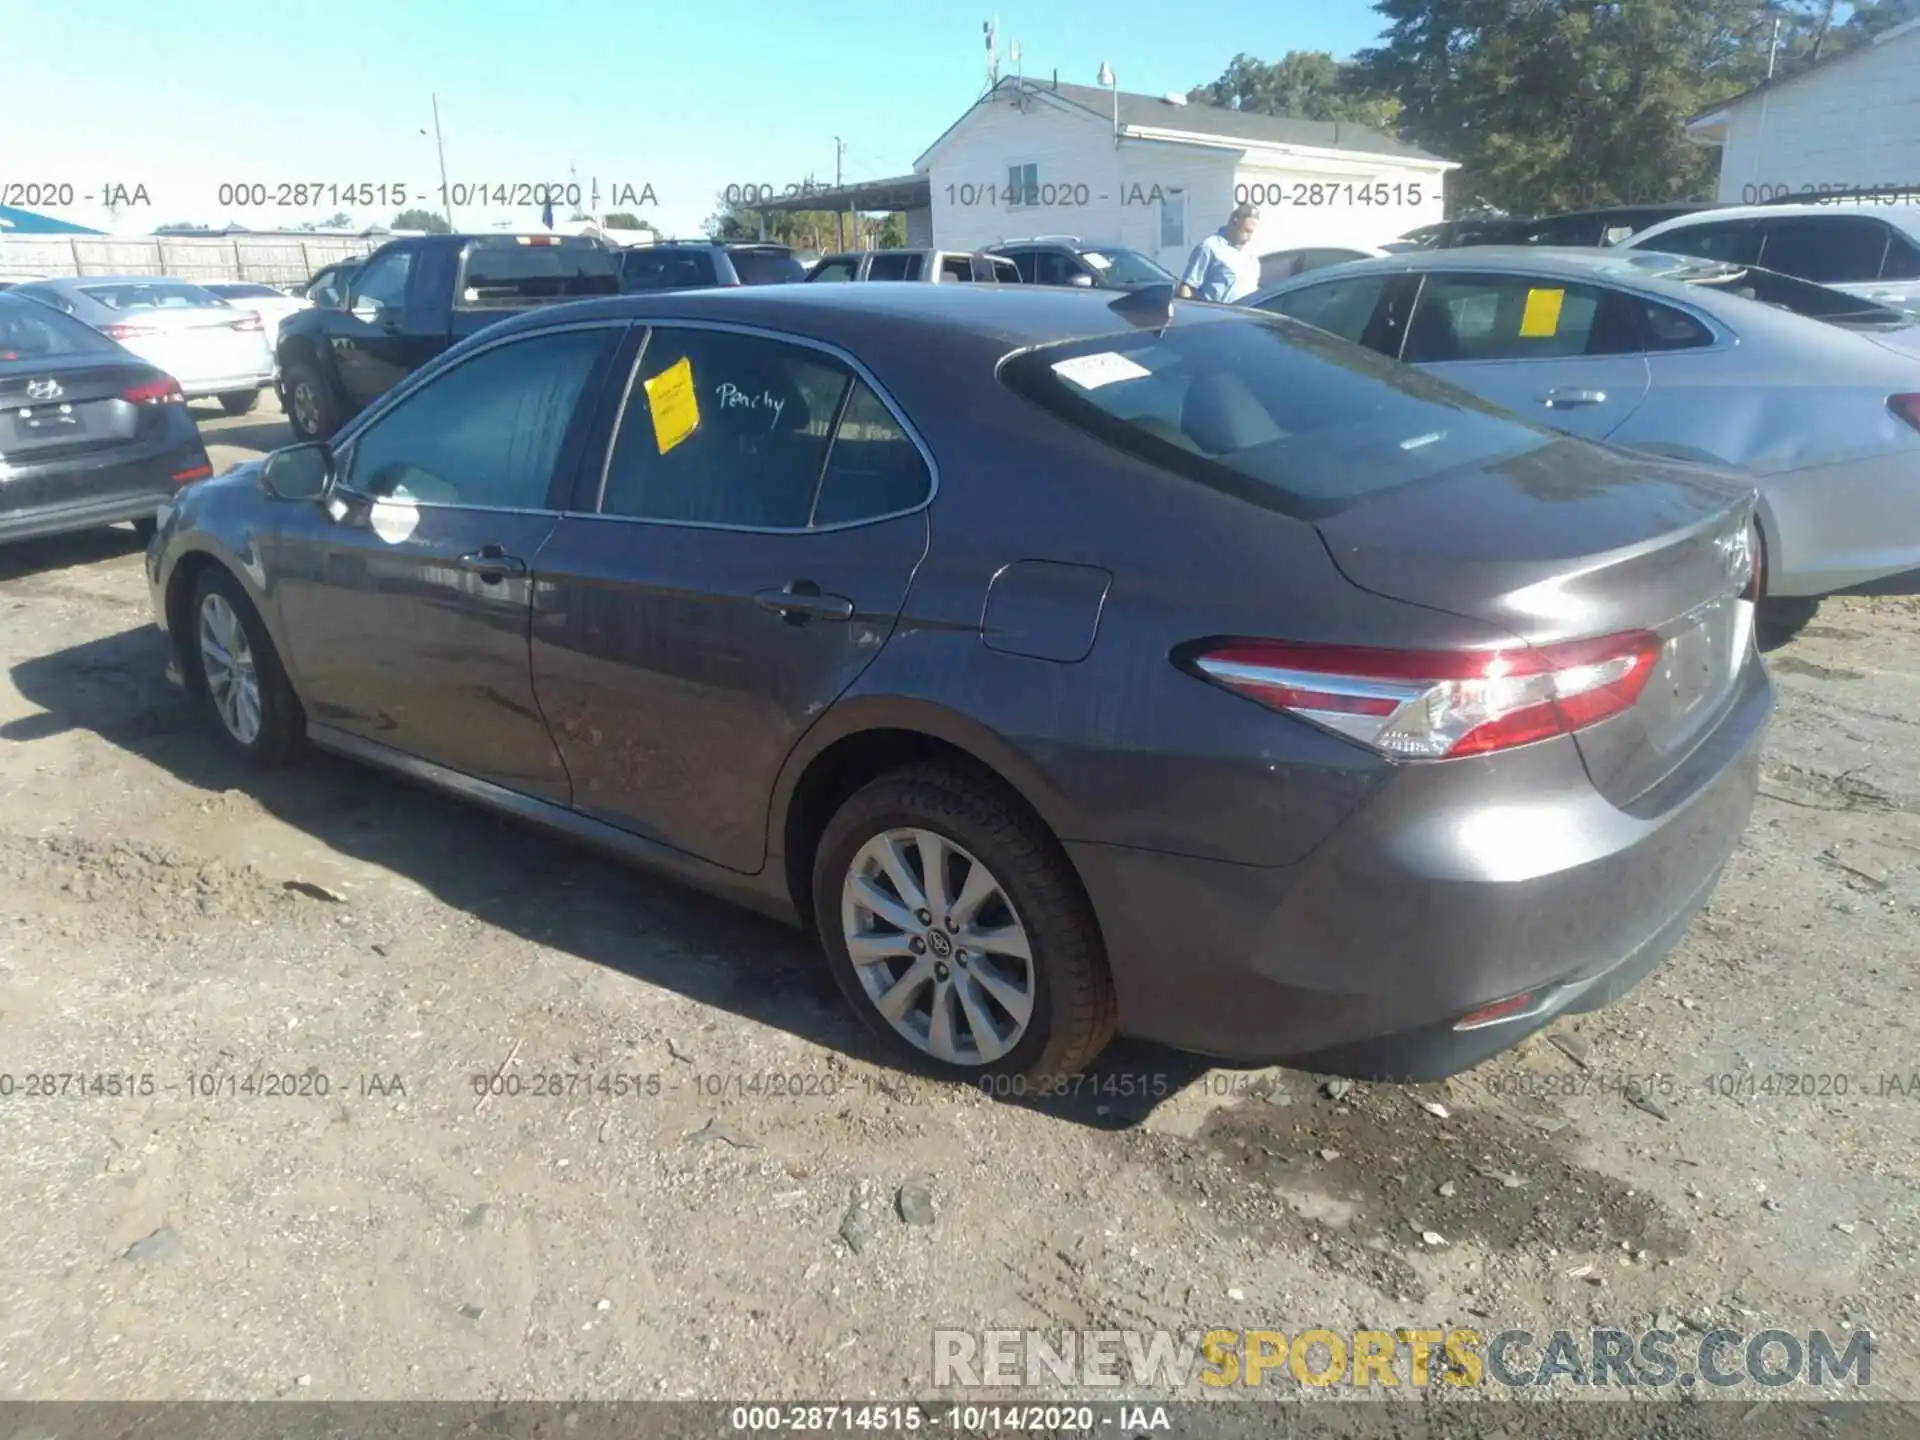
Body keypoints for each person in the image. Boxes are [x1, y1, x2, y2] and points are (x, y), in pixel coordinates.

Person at [1177, 202, 1262, 303]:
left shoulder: (1250, 252)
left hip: (1249, 314)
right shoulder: (1210, 247)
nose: (1248, 238)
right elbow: (1187, 286)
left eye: (1251, 232)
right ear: (1233, 223)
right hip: (1220, 314)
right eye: (1246, 231)